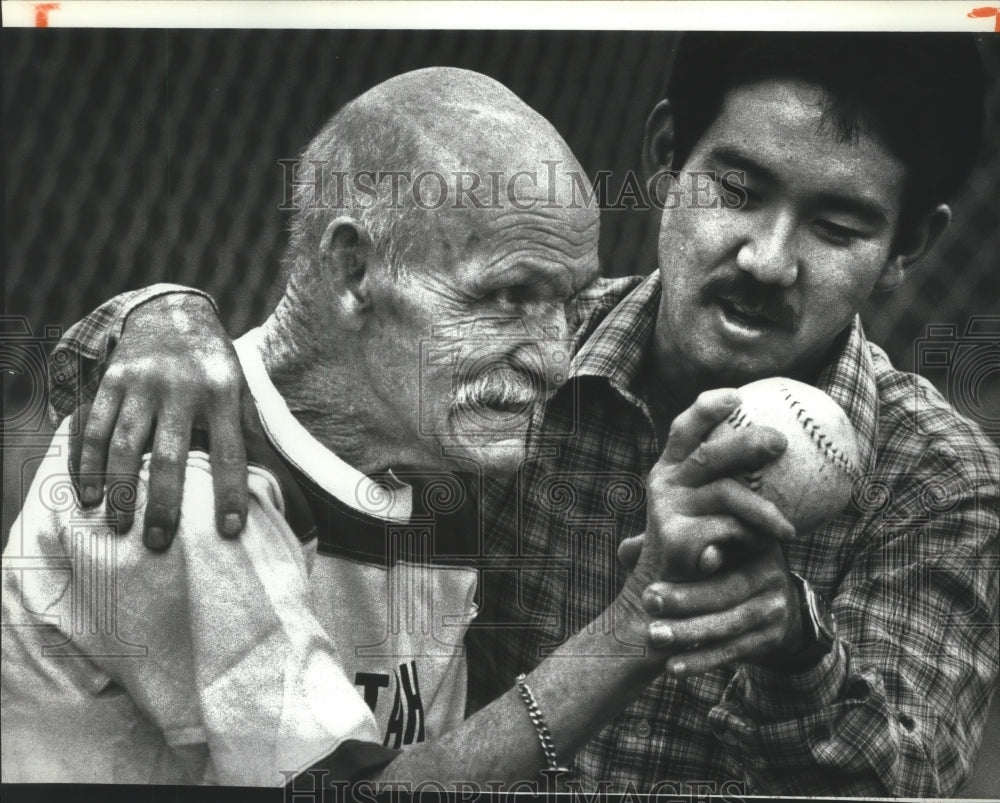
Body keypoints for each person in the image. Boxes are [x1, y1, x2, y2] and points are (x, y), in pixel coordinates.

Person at [27, 33, 1000, 795]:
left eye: (838, 225)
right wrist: (156, 316)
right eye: (736, 190)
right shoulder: (501, 366)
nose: (765, 258)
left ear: (910, 243)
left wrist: (787, 642)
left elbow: (905, 781)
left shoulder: (938, 475)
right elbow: (309, 355)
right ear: (666, 157)